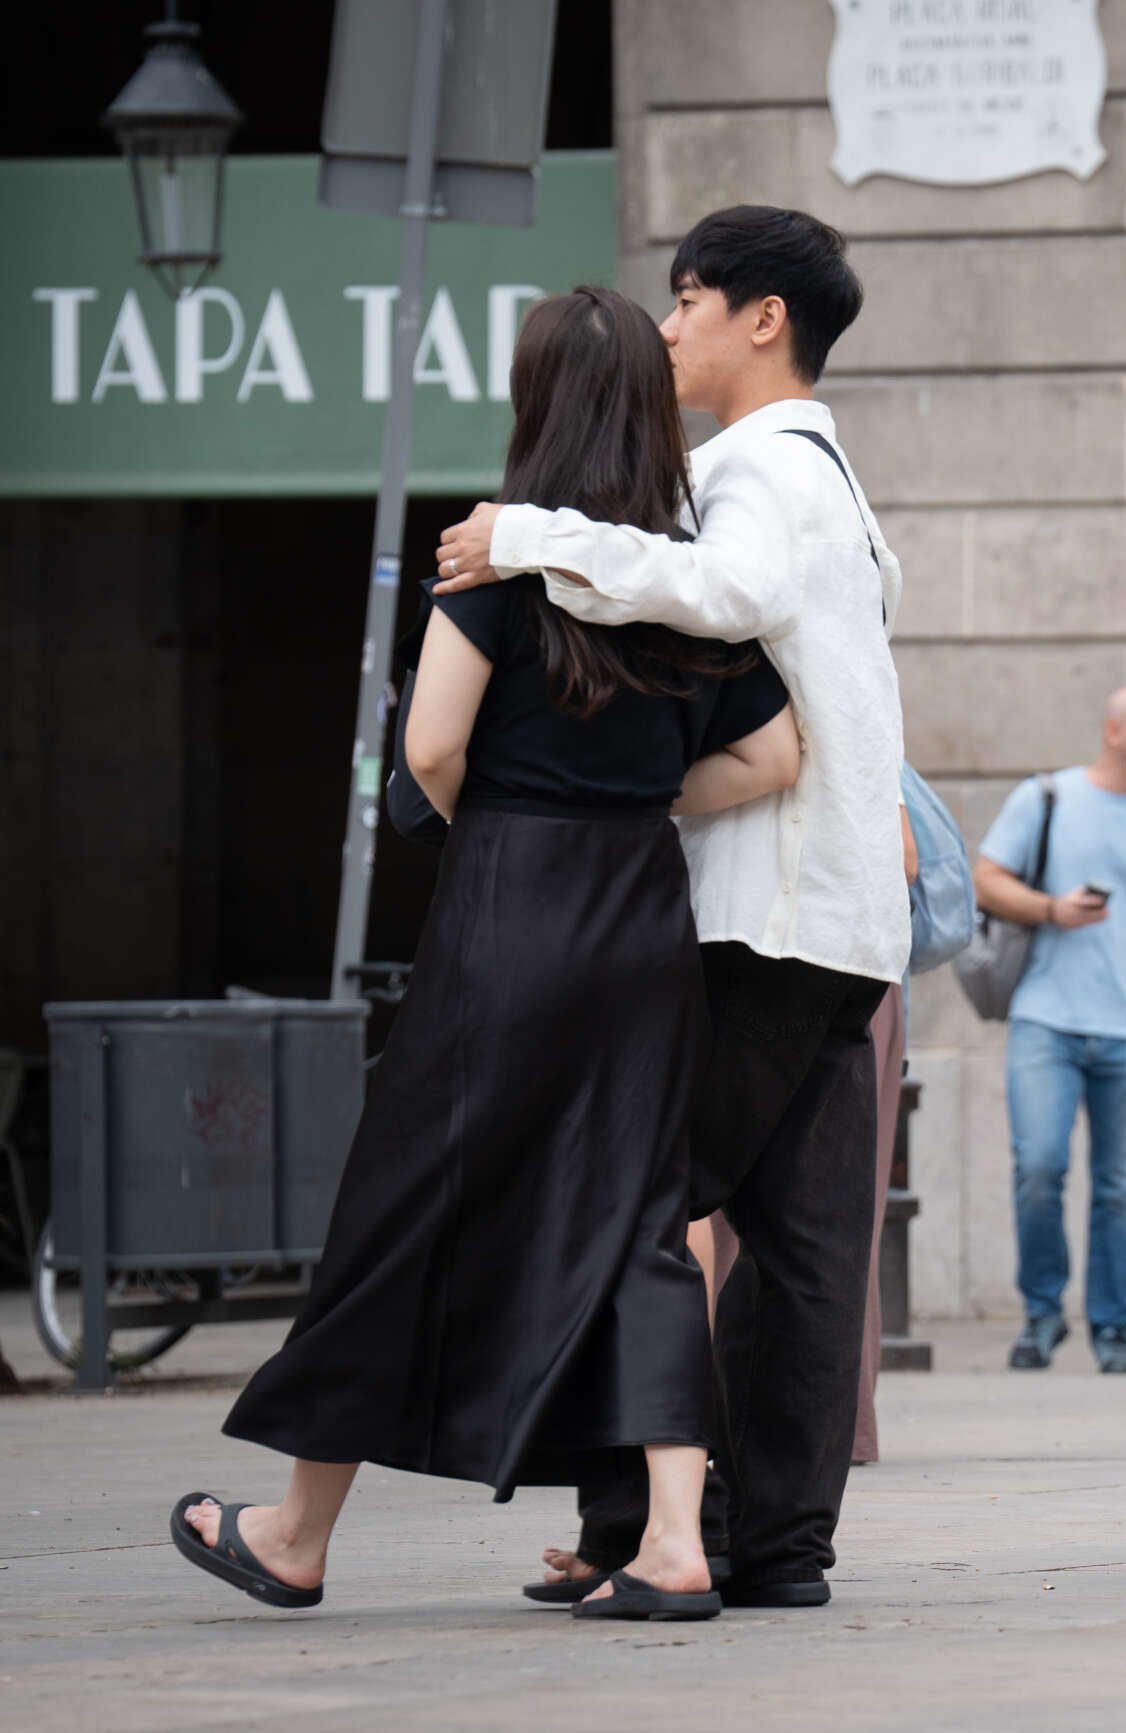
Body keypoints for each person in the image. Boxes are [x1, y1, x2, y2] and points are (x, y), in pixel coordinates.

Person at [173, 286, 799, 1621]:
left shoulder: (495, 565)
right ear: (643, 406)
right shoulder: (681, 580)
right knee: (645, 1221)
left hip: (508, 909)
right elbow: (779, 751)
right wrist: (638, 809)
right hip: (641, 922)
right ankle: (678, 1543)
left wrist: (516, 825)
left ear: (534, 404)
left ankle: (295, 1532)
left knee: (408, 1204)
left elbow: (429, 750)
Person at [433, 205, 907, 1611]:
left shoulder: (757, 468)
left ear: (764, 318)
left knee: (630, 1211)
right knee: (811, 1245)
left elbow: (729, 590)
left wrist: (532, 533)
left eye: (691, 298)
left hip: (755, 909)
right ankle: (775, 1546)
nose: (673, 326)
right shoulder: (830, 476)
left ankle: (643, 1525)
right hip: (833, 915)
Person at [974, 686, 1126, 1374]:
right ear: (1115, 731)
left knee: (1120, 1185)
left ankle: (1115, 1328)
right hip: (1045, 1020)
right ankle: (1042, 1312)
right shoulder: (1045, 798)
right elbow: (986, 879)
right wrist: (1051, 908)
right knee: (1039, 1168)